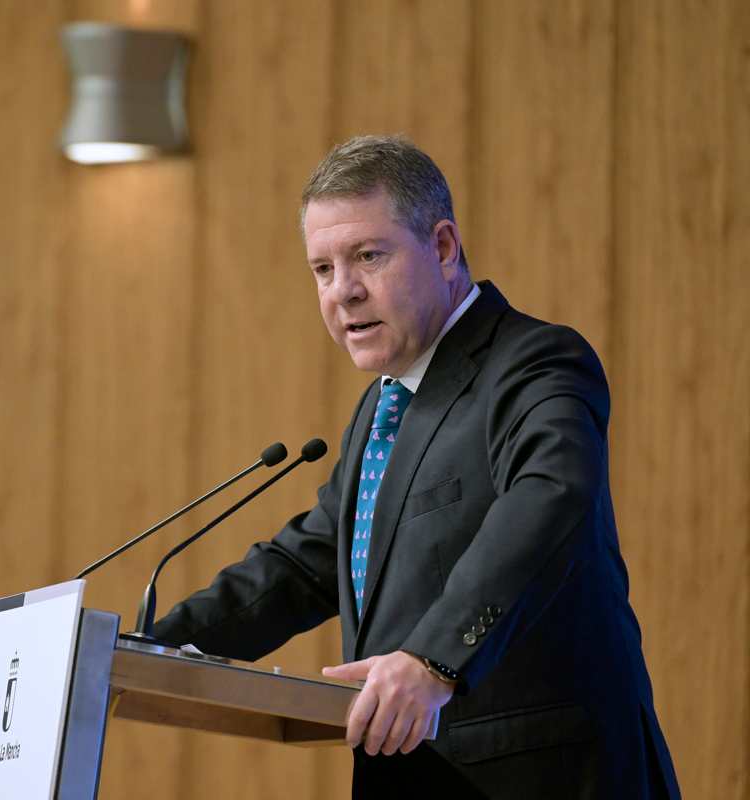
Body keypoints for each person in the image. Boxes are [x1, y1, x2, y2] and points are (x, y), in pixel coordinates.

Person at [152, 135, 680, 798]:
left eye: (368, 256)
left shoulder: (534, 362)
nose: (343, 291)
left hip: (543, 774)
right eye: (322, 269)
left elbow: (549, 498)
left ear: (443, 247)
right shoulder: (383, 407)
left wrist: (435, 658)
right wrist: (149, 647)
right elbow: (304, 564)